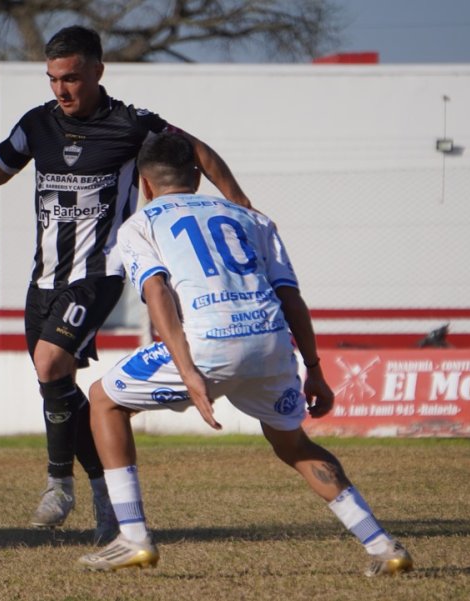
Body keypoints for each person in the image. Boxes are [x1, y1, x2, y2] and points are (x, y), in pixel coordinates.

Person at [0, 26, 252, 544]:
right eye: (52, 80)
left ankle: (57, 483)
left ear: (97, 71)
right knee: (59, 387)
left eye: (70, 78)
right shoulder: (37, 125)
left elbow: (198, 151)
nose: (61, 90)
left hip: (98, 275)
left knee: (50, 364)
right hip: (43, 279)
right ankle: (105, 500)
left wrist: (239, 205)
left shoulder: (133, 125)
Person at [77, 133, 413, 577]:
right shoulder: (252, 218)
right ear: (198, 177)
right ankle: (383, 546)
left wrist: (187, 371)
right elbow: (291, 296)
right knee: (294, 444)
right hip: (271, 344)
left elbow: (155, 290)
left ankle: (134, 537)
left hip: (209, 342)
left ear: (145, 183)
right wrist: (314, 369)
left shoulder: (141, 223)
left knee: (104, 399)